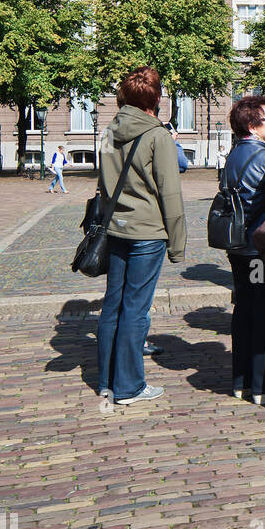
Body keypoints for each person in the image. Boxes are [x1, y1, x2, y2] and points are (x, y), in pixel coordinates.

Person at [96, 66, 187, 405]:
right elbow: (171, 196)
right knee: (136, 308)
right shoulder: (158, 136)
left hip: (116, 228)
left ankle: (107, 379)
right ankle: (130, 386)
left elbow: (103, 184)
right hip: (147, 232)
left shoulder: (108, 132)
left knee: (113, 306)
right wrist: (177, 246)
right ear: (156, 99)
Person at [223, 94, 265, 405]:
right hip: (259, 248)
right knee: (264, 314)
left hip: (238, 246)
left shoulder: (235, 154)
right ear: (251, 125)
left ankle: (242, 381)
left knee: (245, 311)